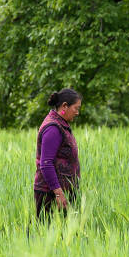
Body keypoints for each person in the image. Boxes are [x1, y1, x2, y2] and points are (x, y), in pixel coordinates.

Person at [33, 88, 82, 220]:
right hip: (51, 194)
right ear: (65, 106)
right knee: (43, 233)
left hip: (63, 191)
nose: (77, 113)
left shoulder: (61, 124)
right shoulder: (53, 128)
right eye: (76, 108)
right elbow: (46, 164)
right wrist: (59, 193)